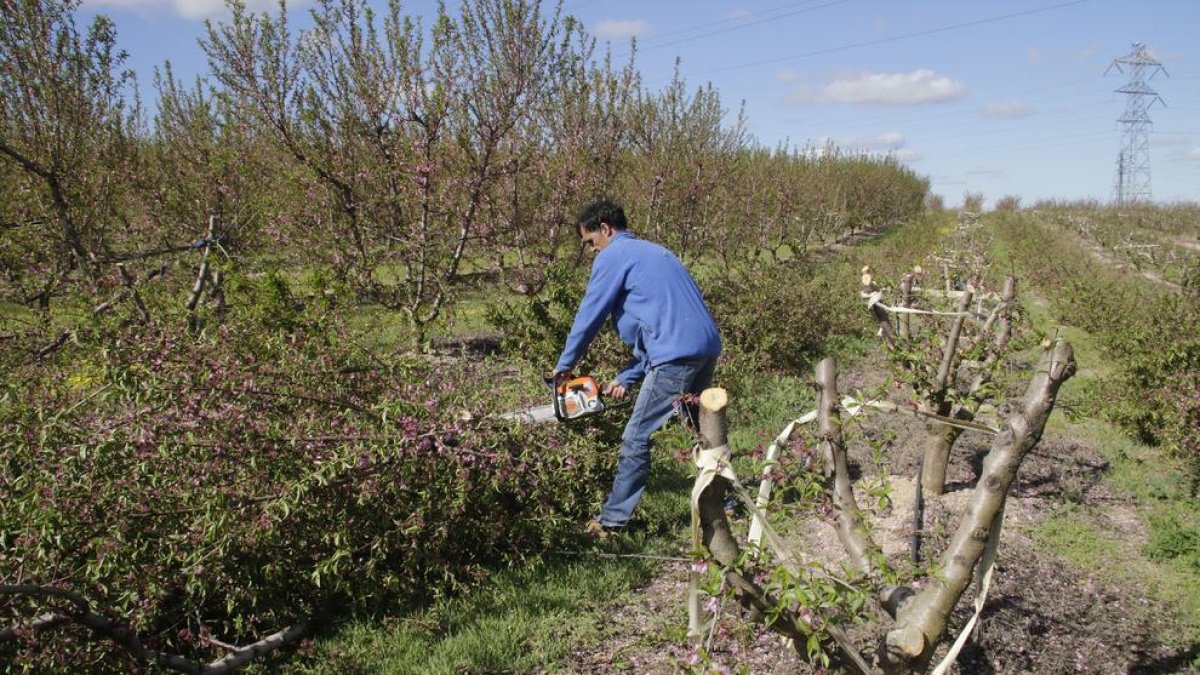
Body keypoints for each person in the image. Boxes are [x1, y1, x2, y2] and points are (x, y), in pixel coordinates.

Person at [552, 199, 721, 535]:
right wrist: (629, 376)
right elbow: (659, 326)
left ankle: (613, 521)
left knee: (635, 436)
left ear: (605, 229)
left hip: (675, 355)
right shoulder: (656, 252)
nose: (590, 251)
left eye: (590, 242)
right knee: (700, 429)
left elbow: (590, 315)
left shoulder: (613, 255)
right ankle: (720, 501)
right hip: (705, 346)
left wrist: (564, 367)